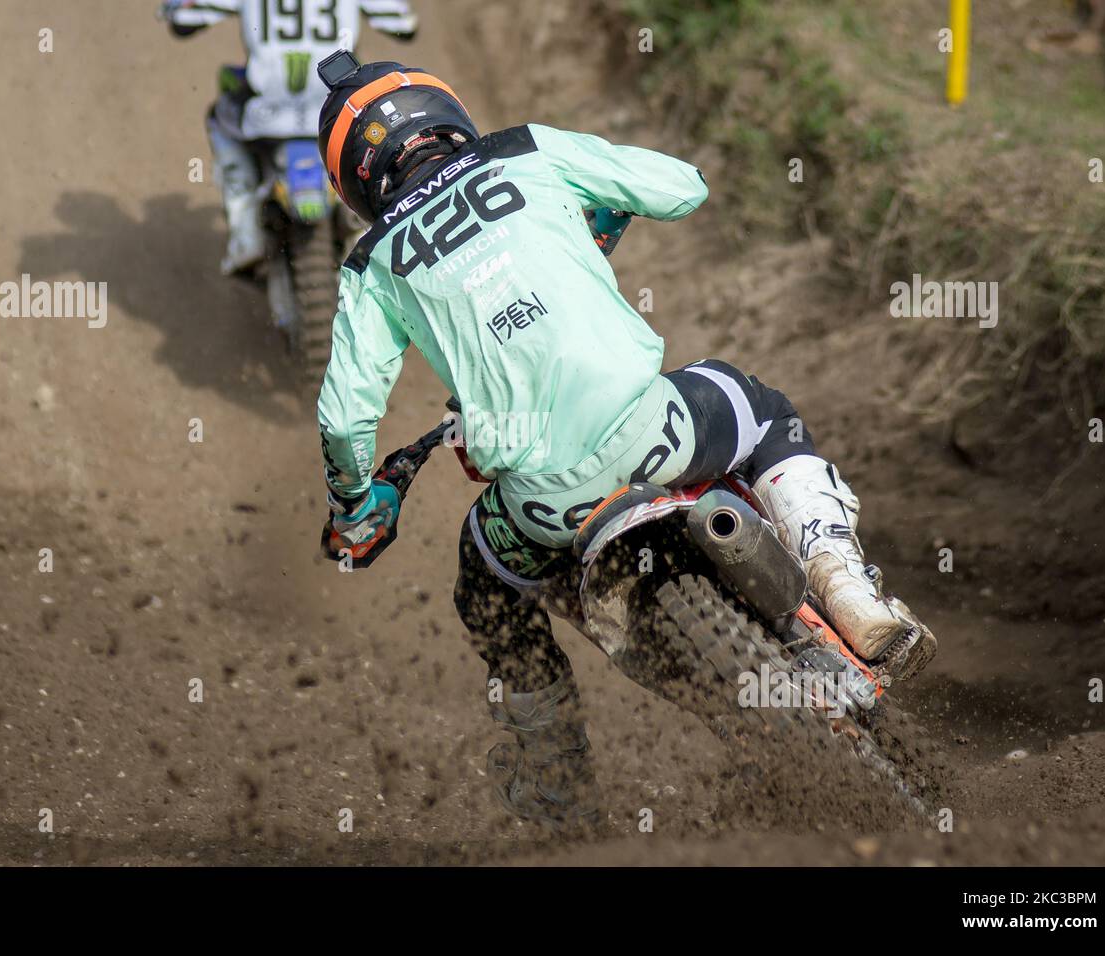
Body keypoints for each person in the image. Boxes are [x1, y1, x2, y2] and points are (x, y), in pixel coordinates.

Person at [313, 57, 939, 828]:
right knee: (760, 408)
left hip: (545, 505)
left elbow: (345, 421)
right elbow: (683, 185)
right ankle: (848, 589)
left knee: (484, 584)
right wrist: (604, 205)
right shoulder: (523, 152)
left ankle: (556, 785)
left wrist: (353, 504)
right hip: (663, 434)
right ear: (444, 114)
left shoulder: (371, 263)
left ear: (355, 178)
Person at [159, 0, 418, 275]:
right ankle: (374, 219)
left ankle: (245, 228)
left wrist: (176, 8)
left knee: (220, 117)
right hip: (335, 106)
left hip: (265, 111)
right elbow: (405, 25)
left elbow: (183, 21)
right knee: (375, 130)